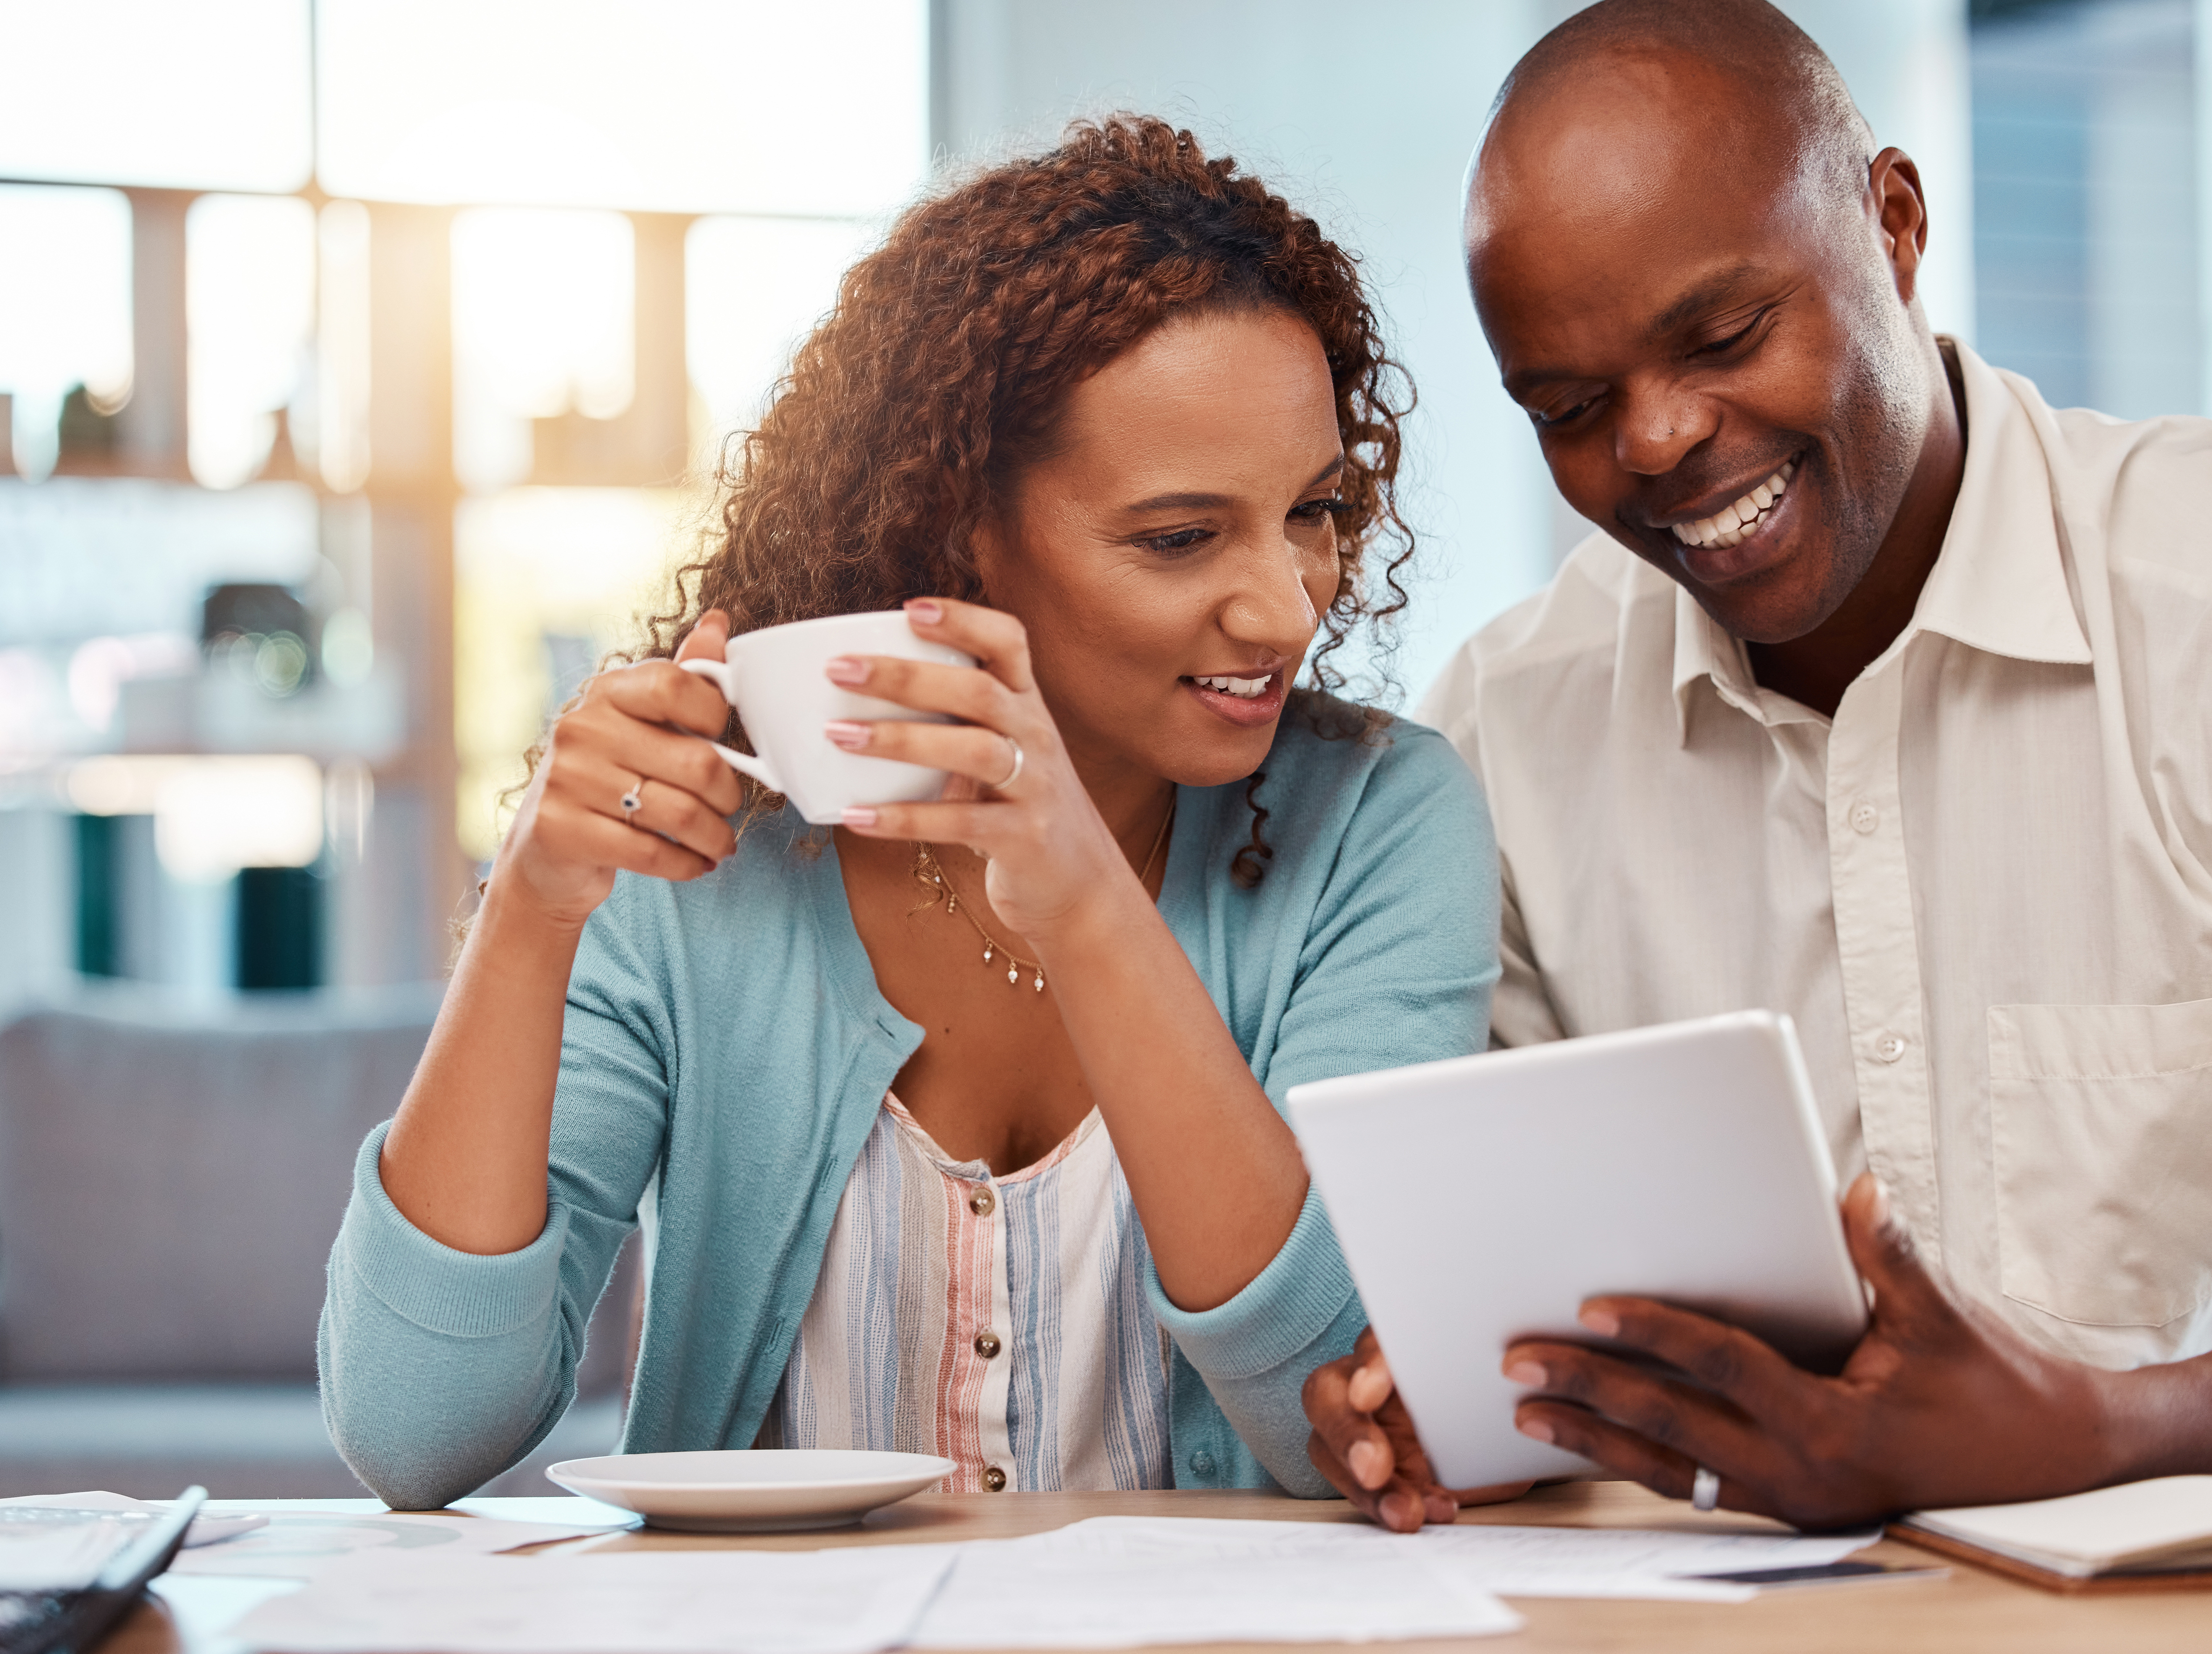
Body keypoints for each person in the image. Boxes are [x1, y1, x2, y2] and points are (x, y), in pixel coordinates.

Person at [1303, 0, 2212, 1533]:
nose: (1655, 442)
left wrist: (2087, 1430)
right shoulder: (1509, 733)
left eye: (1723, 338)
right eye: (1571, 409)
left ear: (1897, 224)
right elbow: (1531, 1317)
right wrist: (1454, 1404)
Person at [320, 115, 1499, 1509]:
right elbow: (412, 1435)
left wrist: (1085, 908)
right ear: (960, 526)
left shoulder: (1382, 822)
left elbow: (1343, 1428)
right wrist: (530, 910)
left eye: (1314, 509)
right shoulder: (712, 856)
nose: (1287, 603)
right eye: (1181, 537)